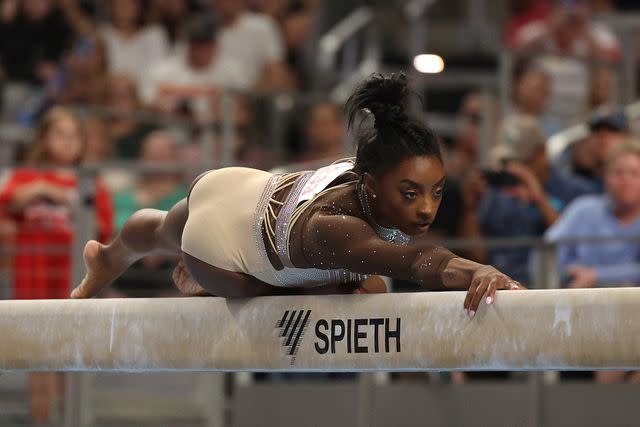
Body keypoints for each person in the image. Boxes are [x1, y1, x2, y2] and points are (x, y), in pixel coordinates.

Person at [72, 73, 524, 316]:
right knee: (335, 287)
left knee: (159, 226)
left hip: (240, 185)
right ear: (370, 185)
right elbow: (414, 262)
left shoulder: (373, 165)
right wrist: (476, 269)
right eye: (409, 194)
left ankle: (111, 256)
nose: (425, 208)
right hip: (221, 256)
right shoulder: (338, 228)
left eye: (436, 192)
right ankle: (190, 278)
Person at [0, 106, 113, 424]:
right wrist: (44, 189)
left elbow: (103, 229)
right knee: (38, 363)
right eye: (59, 134)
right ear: (44, 139)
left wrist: (64, 196)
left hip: (73, 283)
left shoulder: (90, 181)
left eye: (74, 135)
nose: (67, 142)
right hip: (34, 282)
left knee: (70, 360)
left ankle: (70, 420)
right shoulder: (26, 176)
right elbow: (9, 202)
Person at [545, 141, 640, 383]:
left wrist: (597, 275)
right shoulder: (584, 209)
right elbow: (547, 251)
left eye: (634, 173)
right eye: (618, 173)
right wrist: (568, 275)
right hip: (580, 306)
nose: (626, 180)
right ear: (606, 178)